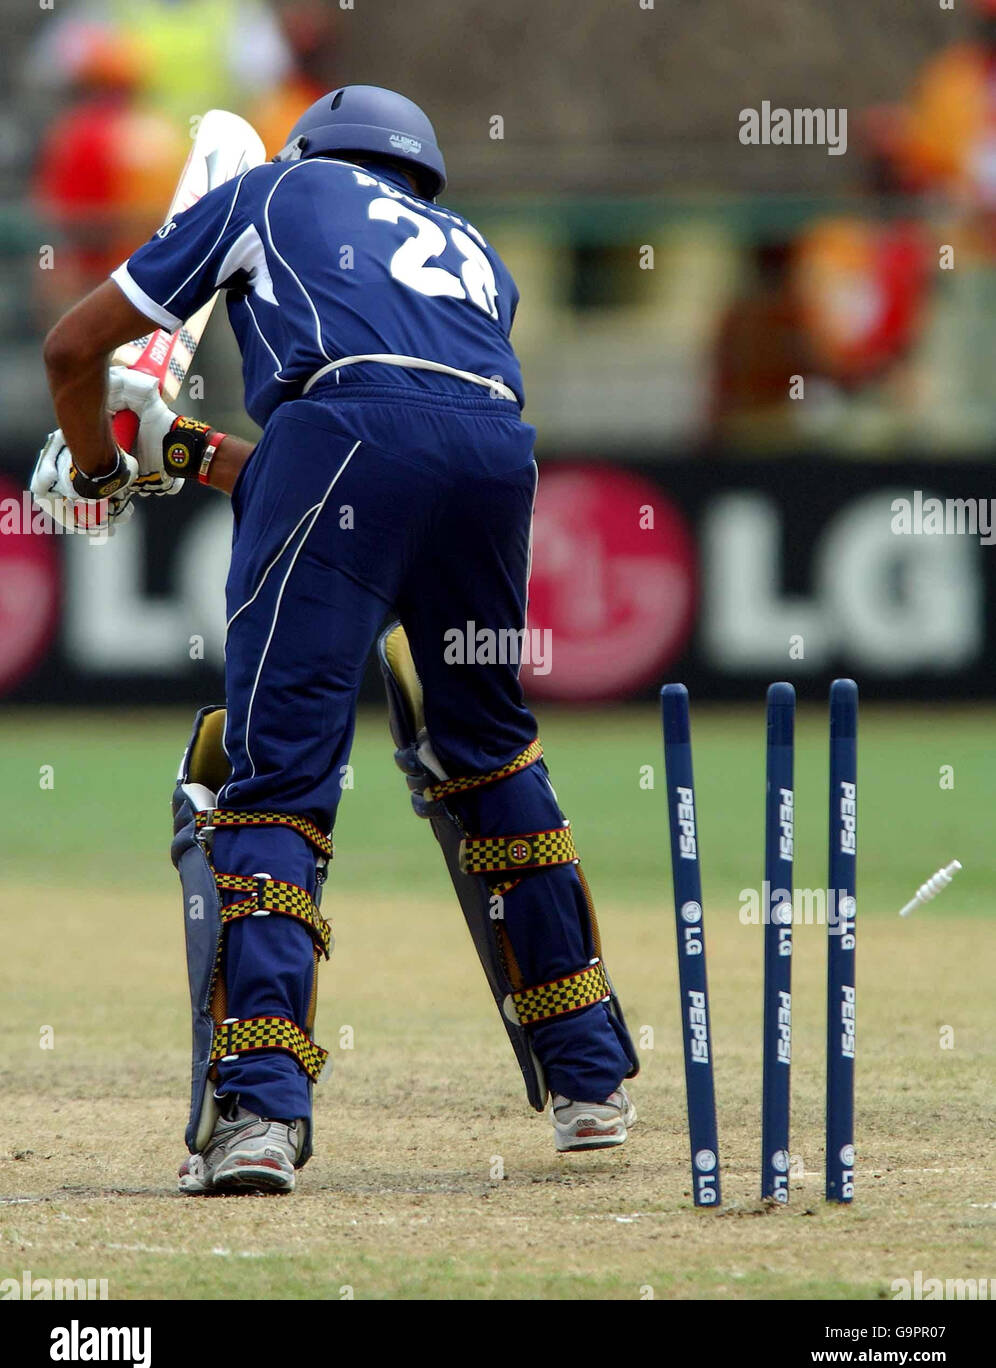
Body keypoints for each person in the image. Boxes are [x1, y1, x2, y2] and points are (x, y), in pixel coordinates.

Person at [33, 86, 638, 1196]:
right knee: (483, 749)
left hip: (344, 437)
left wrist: (99, 465)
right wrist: (193, 447)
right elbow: (395, 441)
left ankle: (259, 1114)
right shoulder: (474, 253)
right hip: (497, 457)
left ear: (314, 149)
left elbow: (73, 350)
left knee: (273, 779)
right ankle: (593, 1081)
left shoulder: (264, 189)